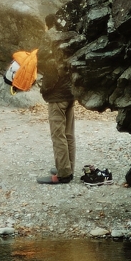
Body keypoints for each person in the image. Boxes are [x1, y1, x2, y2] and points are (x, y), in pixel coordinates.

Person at [37, 14, 75, 183]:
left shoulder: (50, 38)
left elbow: (47, 66)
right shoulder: (69, 37)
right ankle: (67, 167)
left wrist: (45, 90)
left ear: (48, 25)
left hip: (57, 96)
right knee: (68, 134)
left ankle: (63, 175)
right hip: (70, 93)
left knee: (58, 135)